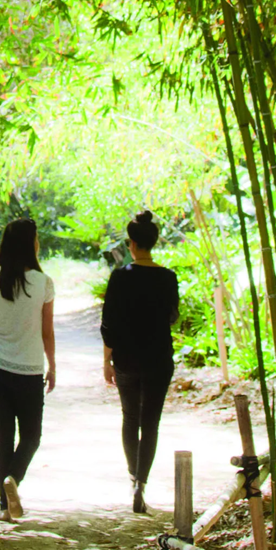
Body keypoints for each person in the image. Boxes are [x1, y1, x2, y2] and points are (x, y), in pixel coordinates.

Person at [0, 218, 56, 522]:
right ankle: (14, 479)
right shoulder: (43, 283)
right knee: (31, 436)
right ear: (31, 244)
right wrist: (53, 365)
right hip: (29, 370)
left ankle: (5, 507)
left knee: (3, 435)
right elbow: (47, 332)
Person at [100, 210, 179, 513]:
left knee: (130, 417)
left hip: (127, 357)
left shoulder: (120, 276)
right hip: (158, 357)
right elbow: (172, 316)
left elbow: (108, 324)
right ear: (154, 242)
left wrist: (107, 361)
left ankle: (133, 477)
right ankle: (141, 483)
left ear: (131, 243)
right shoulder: (168, 277)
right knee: (151, 422)